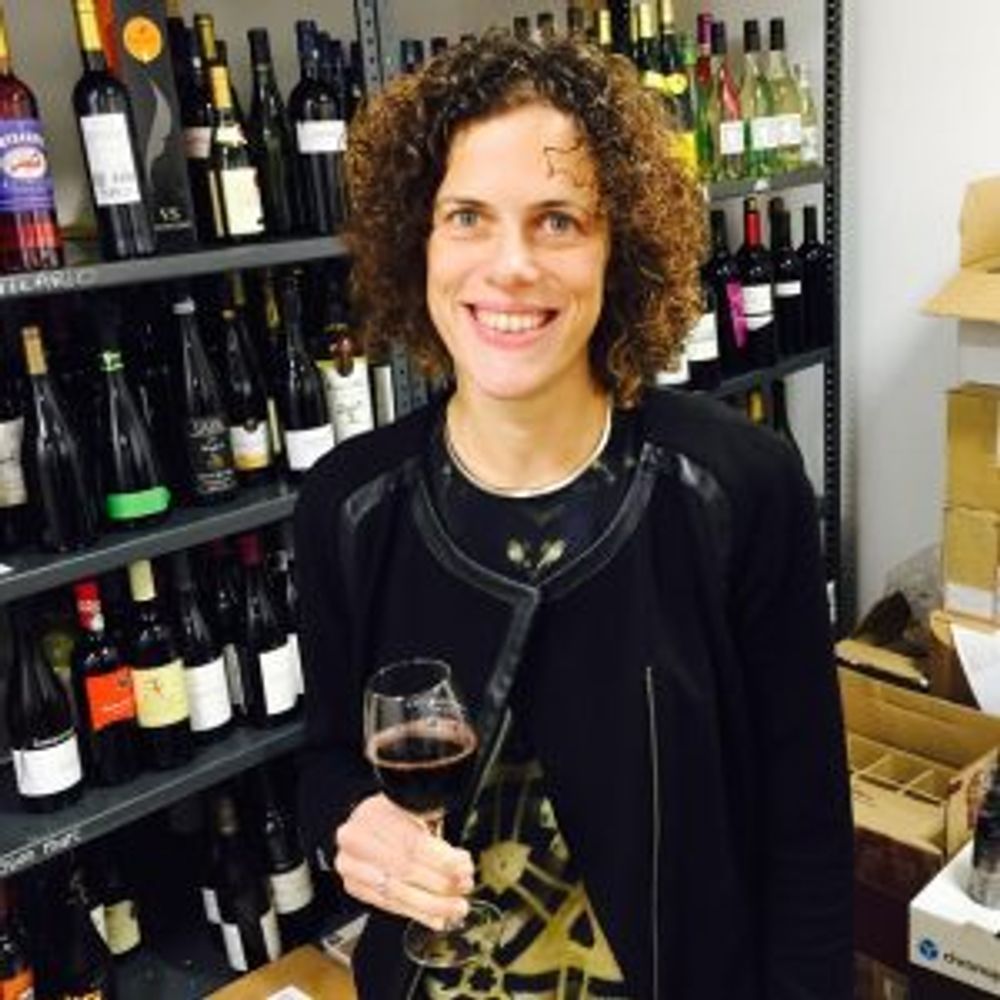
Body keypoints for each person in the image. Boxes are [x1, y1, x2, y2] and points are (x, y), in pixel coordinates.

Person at [295, 30, 853, 1000]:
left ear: (618, 247)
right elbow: (323, 762)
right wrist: (352, 818)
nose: (509, 266)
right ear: (416, 242)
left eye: (557, 220)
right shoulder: (348, 503)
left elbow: (804, 832)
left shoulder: (738, 487)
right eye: (467, 216)